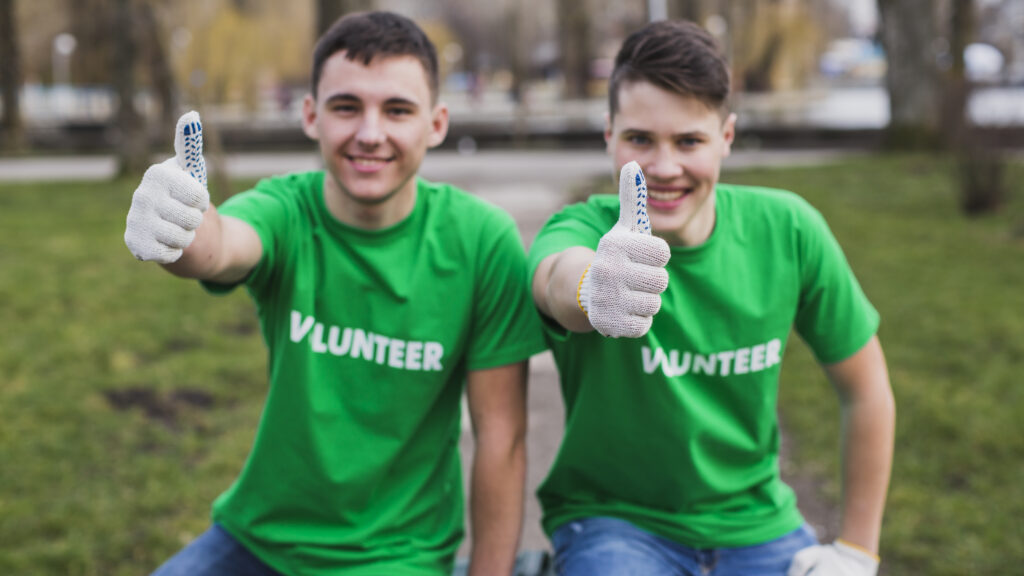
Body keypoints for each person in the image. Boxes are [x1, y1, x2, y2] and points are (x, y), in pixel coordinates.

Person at [124, 11, 545, 576]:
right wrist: (181, 231)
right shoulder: (286, 209)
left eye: (397, 110)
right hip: (256, 538)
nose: (370, 133)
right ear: (311, 115)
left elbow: (502, 438)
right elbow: (222, 246)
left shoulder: (482, 241)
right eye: (347, 107)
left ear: (437, 123)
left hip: (395, 555)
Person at [529, 20, 895, 576]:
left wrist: (857, 550)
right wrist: (593, 287)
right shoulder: (582, 229)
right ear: (608, 133)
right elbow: (557, 278)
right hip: (615, 523)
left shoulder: (789, 229)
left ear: (726, 136)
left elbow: (865, 388)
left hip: (759, 524)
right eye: (640, 139)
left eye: (689, 140)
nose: (665, 167)